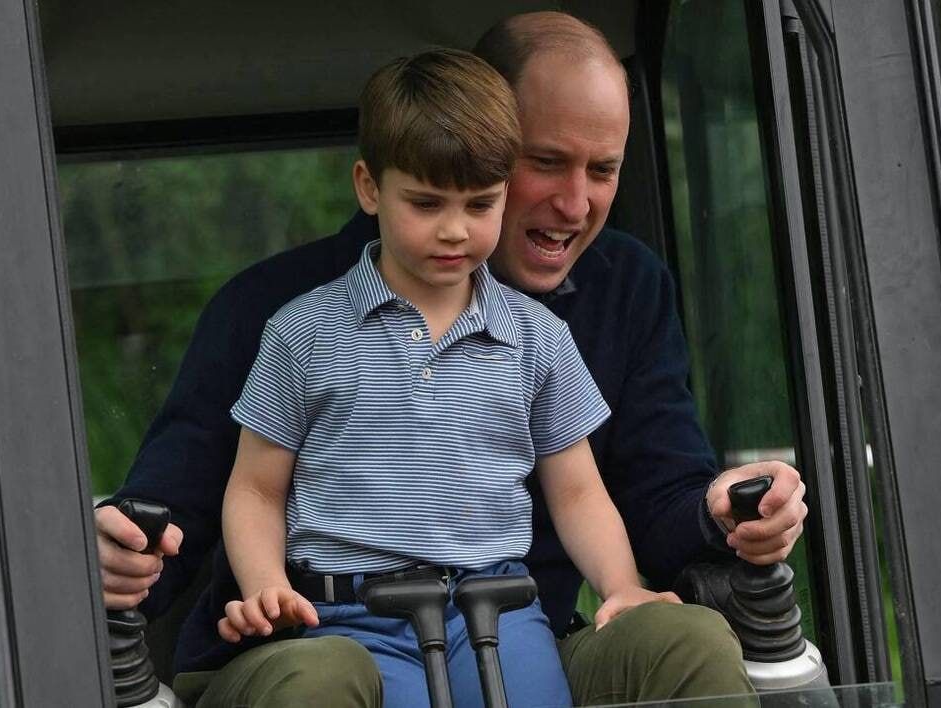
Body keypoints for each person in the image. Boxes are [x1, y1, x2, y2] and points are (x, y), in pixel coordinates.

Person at [97, 11, 808, 707]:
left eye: (604, 170)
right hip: (313, 640)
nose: (574, 202)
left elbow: (630, 496)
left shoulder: (619, 293)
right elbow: (182, 510)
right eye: (548, 162)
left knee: (687, 642)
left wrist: (719, 515)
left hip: (509, 628)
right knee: (322, 678)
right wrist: (125, 551)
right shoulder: (282, 314)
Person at [218, 47, 677, 708]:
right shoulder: (302, 332)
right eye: (427, 203)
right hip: (351, 618)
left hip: (498, 609)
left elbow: (577, 494)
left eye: (481, 203)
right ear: (370, 187)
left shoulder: (539, 338)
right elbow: (257, 490)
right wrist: (265, 584)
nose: (455, 230)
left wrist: (622, 585)